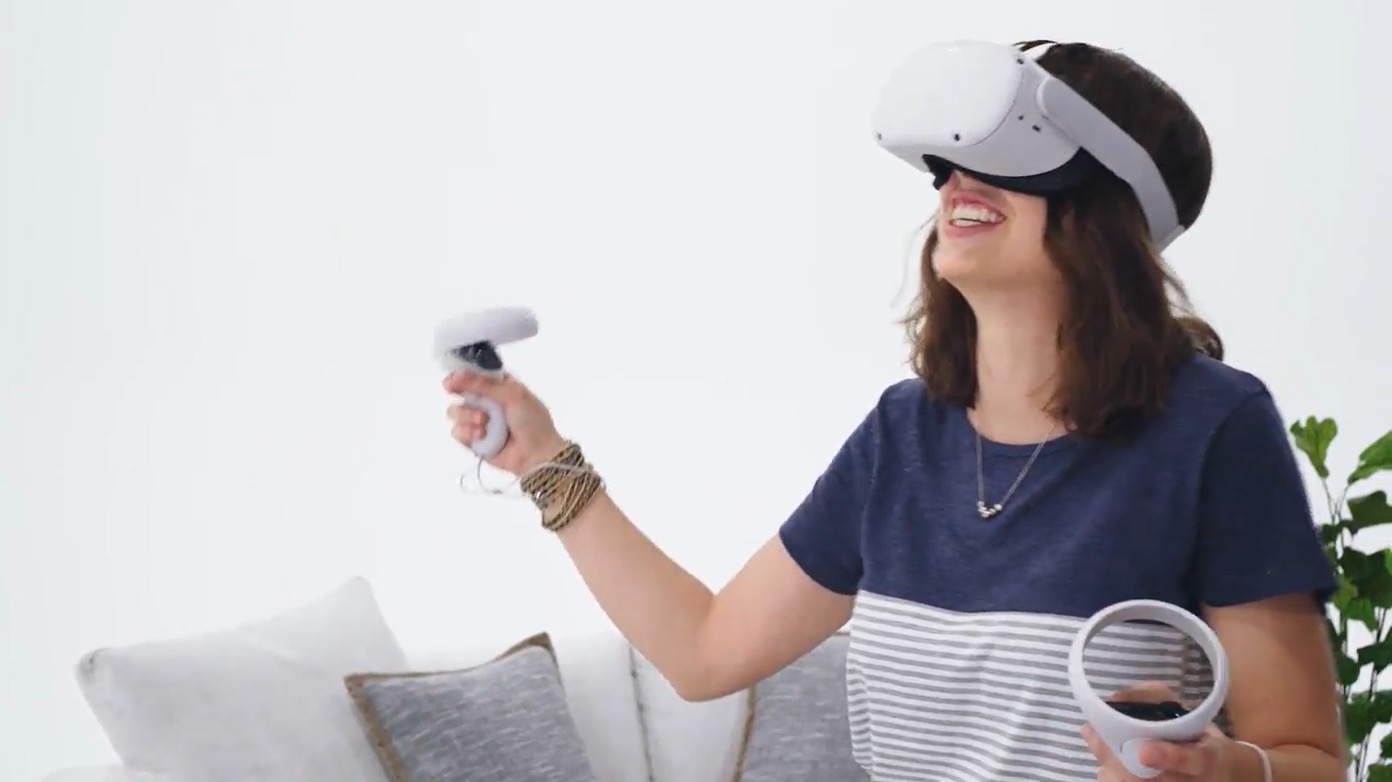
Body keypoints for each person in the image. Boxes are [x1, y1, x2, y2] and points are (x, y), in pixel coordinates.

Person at [443, 39, 1345, 782]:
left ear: (1106, 206)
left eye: (1006, 158)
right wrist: (542, 458)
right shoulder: (903, 436)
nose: (955, 181)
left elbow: (1309, 759)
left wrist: (1227, 772)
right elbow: (705, 652)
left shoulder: (1212, 430)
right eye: (949, 163)